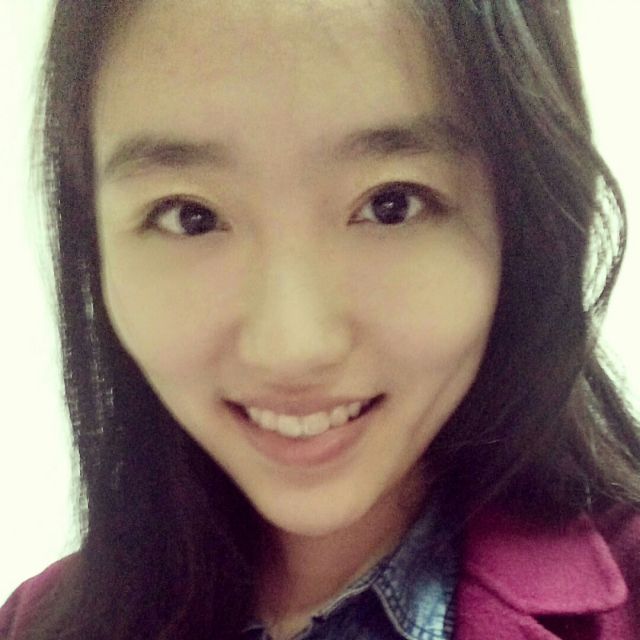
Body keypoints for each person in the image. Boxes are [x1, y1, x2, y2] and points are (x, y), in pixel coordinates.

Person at [1, 1, 639, 638]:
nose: (292, 348)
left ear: (526, 223)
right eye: (189, 216)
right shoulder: (34, 623)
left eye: (392, 205)